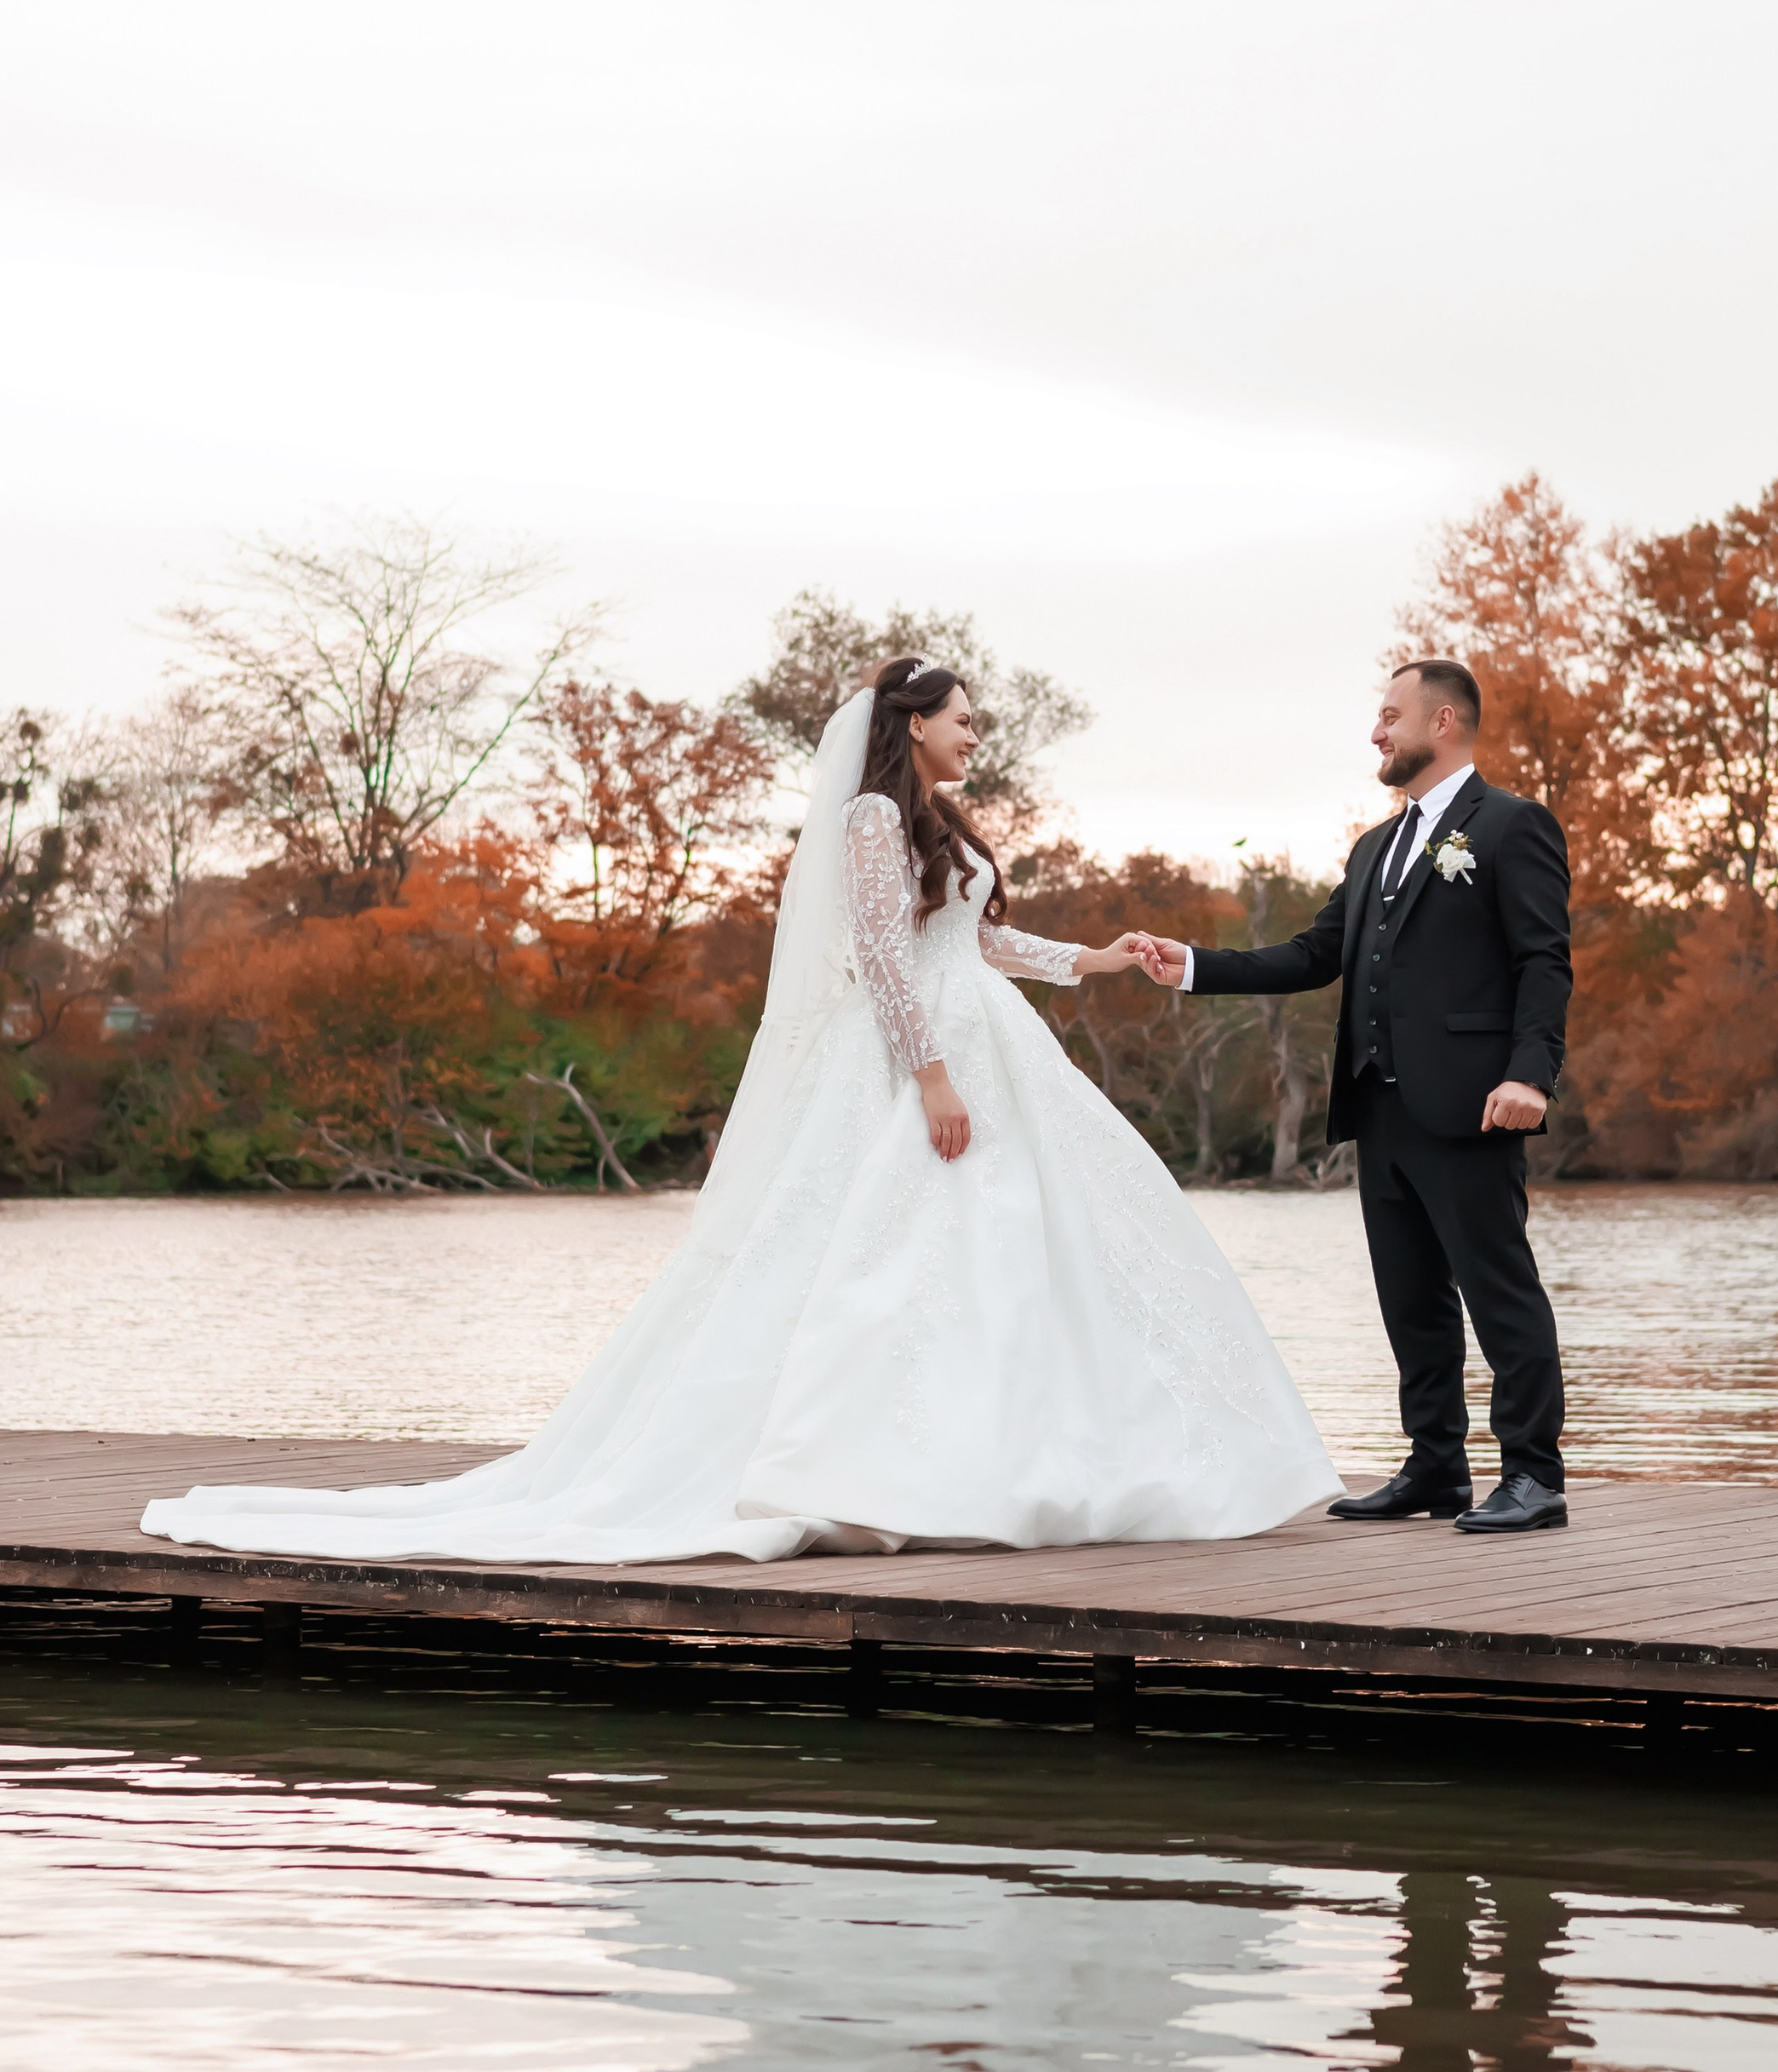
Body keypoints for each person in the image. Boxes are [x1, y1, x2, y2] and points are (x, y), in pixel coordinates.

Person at [141, 659, 1335, 1565]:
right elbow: (880, 955)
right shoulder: (872, 821)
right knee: (888, 1262)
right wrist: (928, 1076)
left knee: (1019, 1265)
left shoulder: (946, 824)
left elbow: (979, 941)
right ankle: (863, 1470)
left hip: (997, 1049)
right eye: (963, 715)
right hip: (927, 1065)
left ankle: (1000, 1463)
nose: (975, 732)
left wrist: (1100, 959)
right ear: (912, 723)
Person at [1130, 657, 1572, 1532]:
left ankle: (1533, 1474)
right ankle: (1435, 1466)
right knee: (1409, 1296)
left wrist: (1530, 1074)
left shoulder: (1512, 825)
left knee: (1499, 1288)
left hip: (1474, 1099)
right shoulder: (1376, 845)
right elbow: (1311, 953)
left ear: (1443, 721)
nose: (1376, 732)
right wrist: (1189, 963)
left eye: (1389, 715)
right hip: (1378, 1106)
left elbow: (1542, 960)